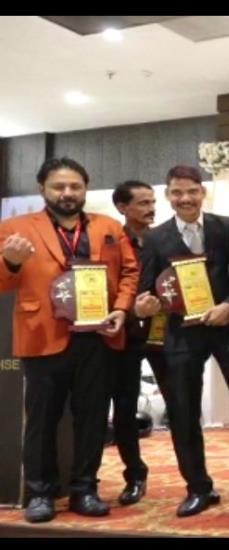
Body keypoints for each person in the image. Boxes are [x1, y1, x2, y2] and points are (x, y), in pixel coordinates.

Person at [0, 158, 138, 522]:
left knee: (92, 418)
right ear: (42, 189)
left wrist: (121, 309)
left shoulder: (109, 227)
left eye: (75, 186)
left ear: (85, 188)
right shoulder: (15, 228)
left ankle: (85, 490)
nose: (67, 193)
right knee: (42, 419)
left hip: (97, 336)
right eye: (58, 186)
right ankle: (40, 493)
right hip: (43, 335)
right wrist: (10, 262)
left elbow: (129, 272)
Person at [136, 165, 229, 517]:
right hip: (180, 335)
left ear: (203, 193)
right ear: (168, 196)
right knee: (183, 411)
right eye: (177, 192)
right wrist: (146, 303)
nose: (185, 198)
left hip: (228, 328)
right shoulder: (155, 238)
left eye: (191, 191)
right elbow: (146, 286)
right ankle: (198, 487)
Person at [109, 179, 170, 506]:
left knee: (181, 406)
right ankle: (135, 475)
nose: (151, 209)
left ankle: (196, 482)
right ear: (122, 207)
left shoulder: (165, 239)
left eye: (153, 202)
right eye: (143, 203)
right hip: (126, 336)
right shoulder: (110, 242)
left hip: (165, 335)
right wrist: (131, 310)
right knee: (124, 409)